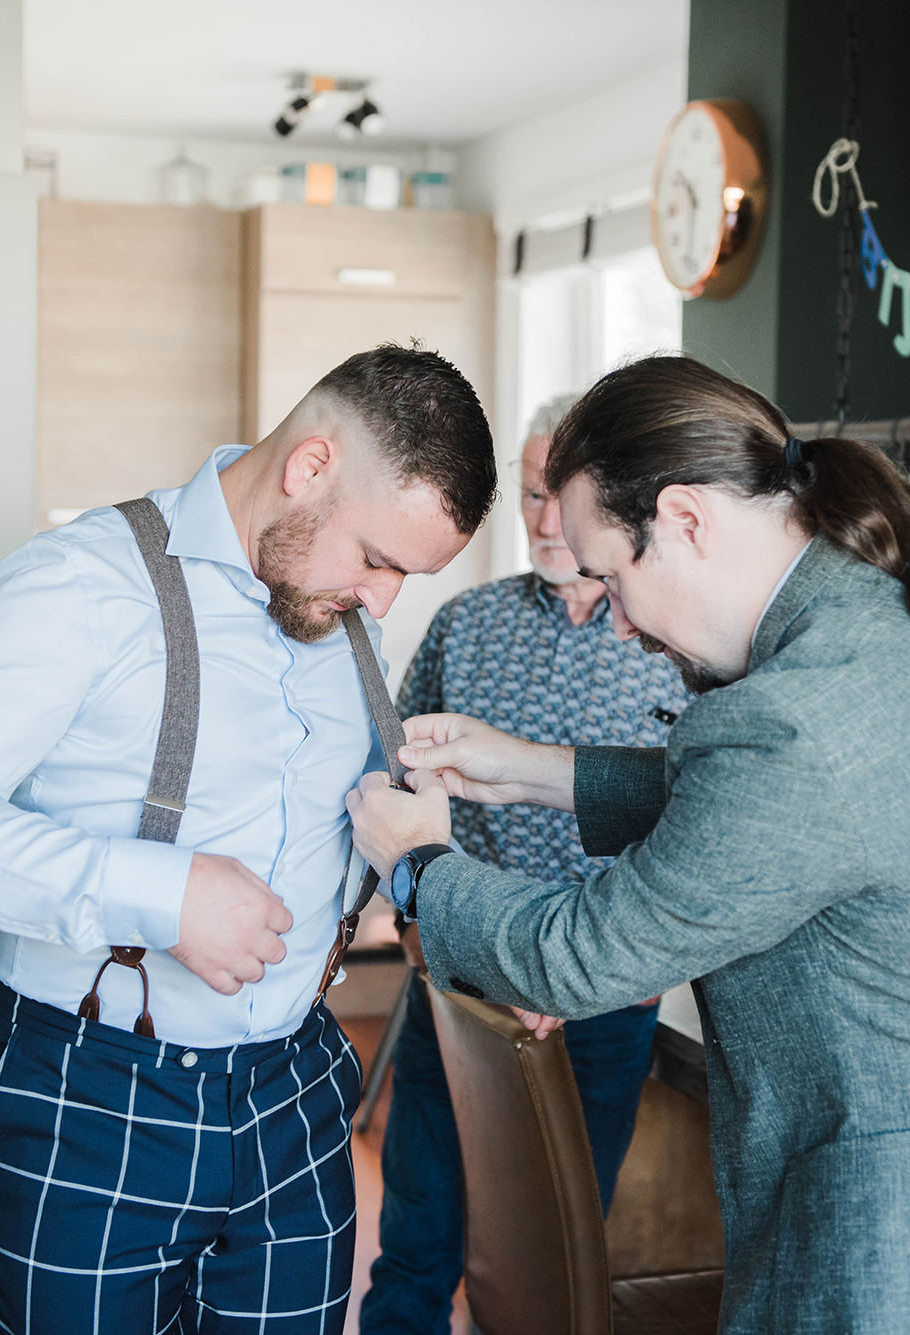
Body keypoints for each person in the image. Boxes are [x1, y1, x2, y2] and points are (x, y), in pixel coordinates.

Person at [346, 356, 910, 1334]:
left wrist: (419, 863)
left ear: (684, 520)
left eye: (610, 575)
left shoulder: (794, 720)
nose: (613, 619)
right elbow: (830, 813)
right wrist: (536, 770)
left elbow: (583, 953)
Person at [0, 344, 495, 1334]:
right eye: (377, 559)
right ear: (309, 468)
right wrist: (160, 892)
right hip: (92, 1097)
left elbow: (340, 830)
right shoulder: (79, 584)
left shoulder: (338, 610)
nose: (383, 601)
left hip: (298, 1091)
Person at [359, 396, 690, 1334]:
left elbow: (694, 818)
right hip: (462, 975)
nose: (548, 520)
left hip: (600, 995)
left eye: (563, 497)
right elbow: (393, 772)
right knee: (418, 1235)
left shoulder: (673, 648)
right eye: (535, 494)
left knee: (557, 1258)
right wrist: (411, 923)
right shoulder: (467, 624)